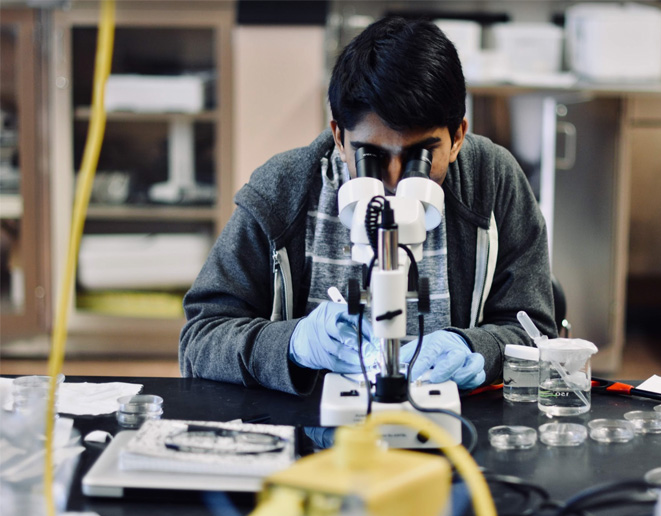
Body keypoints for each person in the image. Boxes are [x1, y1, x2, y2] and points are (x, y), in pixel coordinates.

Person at [179, 17, 556, 396]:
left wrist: (476, 348)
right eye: (371, 156)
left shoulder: (493, 180)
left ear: (457, 136)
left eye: (419, 156)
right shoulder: (283, 189)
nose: (394, 181)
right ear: (339, 137)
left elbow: (535, 331)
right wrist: (294, 345)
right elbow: (200, 340)